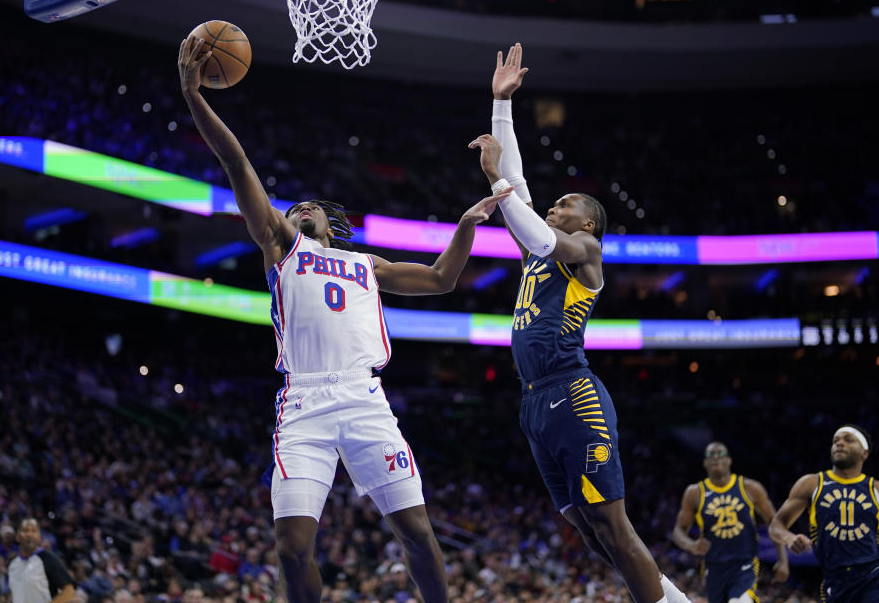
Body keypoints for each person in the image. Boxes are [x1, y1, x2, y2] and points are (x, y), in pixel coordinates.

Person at [178, 36, 510, 603]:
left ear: (332, 224)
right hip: (304, 402)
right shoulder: (281, 246)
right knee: (291, 546)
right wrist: (192, 93)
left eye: (310, 207)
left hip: (363, 398)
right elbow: (235, 161)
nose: (298, 208)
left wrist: (467, 225)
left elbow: (440, 280)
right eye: (292, 206)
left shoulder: (367, 263)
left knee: (418, 534)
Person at [467, 43, 688, 603]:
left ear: (586, 219)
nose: (552, 207)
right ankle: (669, 594)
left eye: (563, 202)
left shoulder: (584, 248)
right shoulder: (538, 254)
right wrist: (500, 105)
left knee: (612, 524)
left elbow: (524, 209)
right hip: (534, 401)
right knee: (588, 529)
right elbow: (517, 183)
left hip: (573, 391)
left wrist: (496, 181)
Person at [769, 425, 879, 603]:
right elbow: (776, 526)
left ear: (864, 453)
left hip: (874, 578)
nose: (839, 443)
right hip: (835, 581)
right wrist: (789, 538)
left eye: (848, 440)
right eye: (835, 441)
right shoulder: (812, 483)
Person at [671, 441, 789, 603]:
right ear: (705, 463)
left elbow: (774, 523)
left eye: (720, 453)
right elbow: (679, 530)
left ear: (729, 460)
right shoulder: (695, 493)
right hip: (714, 567)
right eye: (710, 455)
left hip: (744, 564)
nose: (715, 458)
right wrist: (691, 545)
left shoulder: (749, 487)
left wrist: (783, 560)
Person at [7, 519, 75, 603]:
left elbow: (69, 591)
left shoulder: (48, 558)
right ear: (17, 536)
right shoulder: (13, 565)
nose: (29, 534)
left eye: (34, 531)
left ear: (39, 537)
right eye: (25, 530)